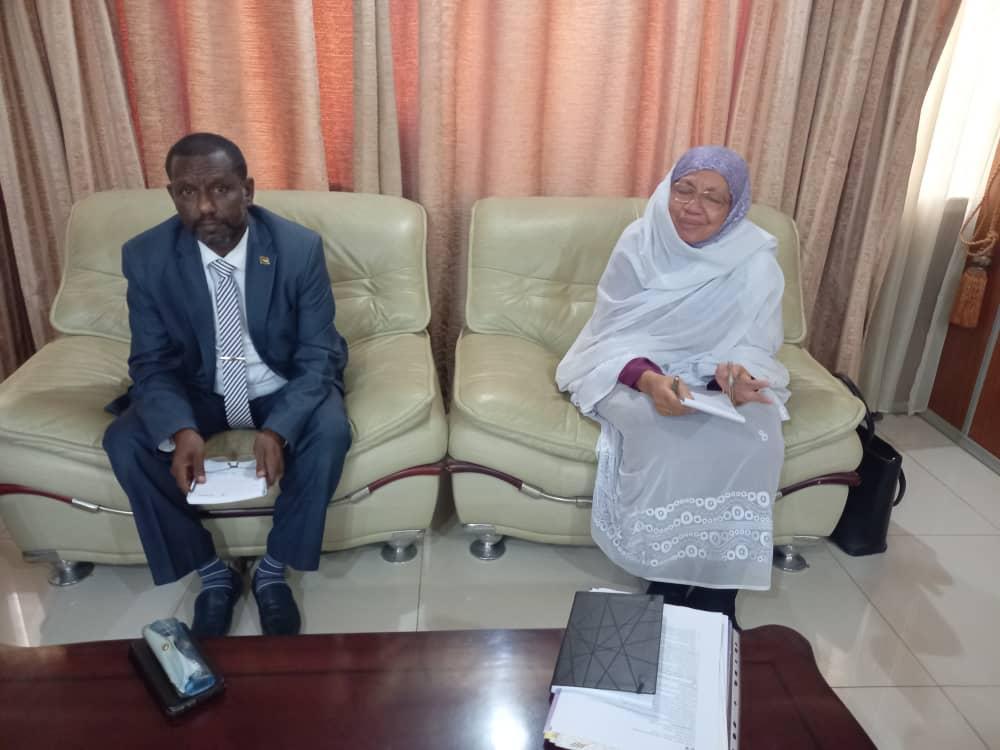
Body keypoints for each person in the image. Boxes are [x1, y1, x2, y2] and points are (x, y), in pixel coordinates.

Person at [103, 132, 351, 637]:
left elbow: (318, 354)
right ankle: (212, 574)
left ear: (248, 191)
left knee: (329, 430)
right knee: (124, 441)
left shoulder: (296, 248)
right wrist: (181, 429)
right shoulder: (147, 256)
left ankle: (273, 570)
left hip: (279, 383)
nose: (205, 207)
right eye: (187, 192)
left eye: (220, 189)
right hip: (201, 390)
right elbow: (151, 361)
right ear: (172, 195)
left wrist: (278, 428)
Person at [555, 146, 790, 628]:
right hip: (636, 371)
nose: (692, 206)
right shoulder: (640, 241)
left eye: (712, 197)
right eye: (684, 190)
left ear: (735, 208)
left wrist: (733, 376)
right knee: (662, 430)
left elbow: (756, 343)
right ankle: (664, 580)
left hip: (715, 378)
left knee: (758, 431)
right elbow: (611, 332)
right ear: (668, 188)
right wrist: (649, 379)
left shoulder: (756, 262)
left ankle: (718, 593)